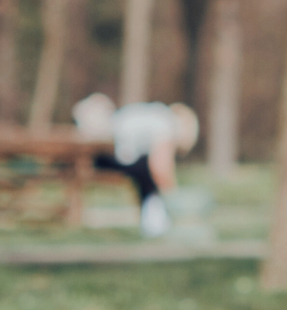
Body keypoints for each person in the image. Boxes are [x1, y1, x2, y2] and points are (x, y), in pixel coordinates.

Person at [73, 93, 199, 238]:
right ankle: (155, 222)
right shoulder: (166, 124)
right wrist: (173, 193)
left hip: (105, 151)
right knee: (147, 171)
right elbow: (160, 166)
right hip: (104, 154)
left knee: (145, 171)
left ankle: (154, 221)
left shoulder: (157, 114)